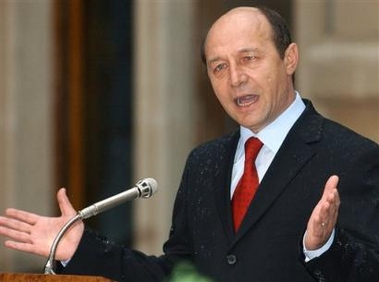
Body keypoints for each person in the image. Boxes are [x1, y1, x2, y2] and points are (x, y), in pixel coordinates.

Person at [0, 6, 378, 282]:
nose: (235, 79)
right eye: (219, 67)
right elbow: (178, 274)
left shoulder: (352, 157)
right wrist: (82, 250)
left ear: (289, 58)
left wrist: (324, 247)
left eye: (249, 59)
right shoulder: (205, 162)